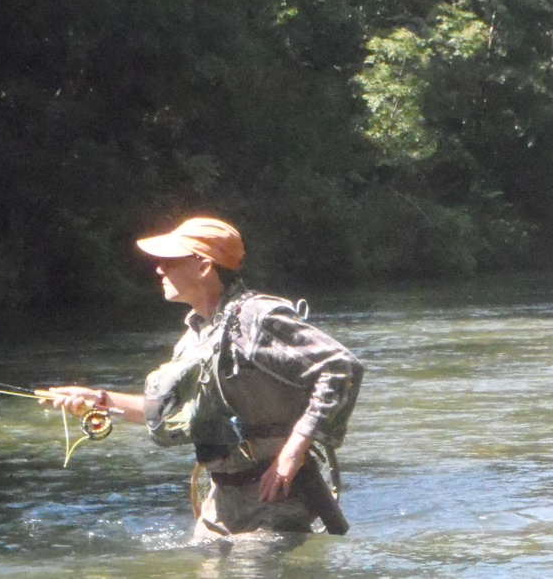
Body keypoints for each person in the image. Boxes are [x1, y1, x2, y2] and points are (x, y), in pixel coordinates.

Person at [42, 217, 364, 539]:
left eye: (170, 261)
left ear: (203, 266)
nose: (158, 269)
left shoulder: (257, 317)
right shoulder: (194, 336)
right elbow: (177, 415)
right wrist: (99, 400)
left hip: (275, 500)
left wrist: (294, 451)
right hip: (220, 506)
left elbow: (341, 367)